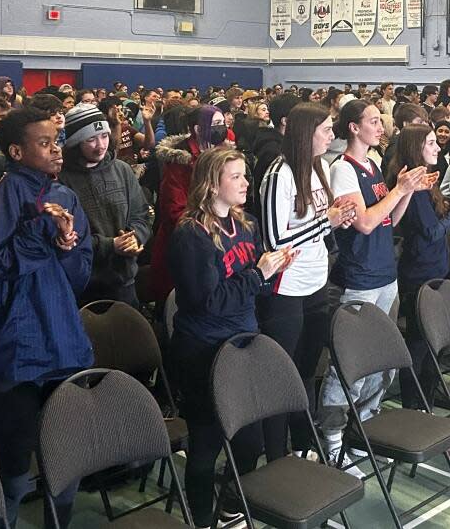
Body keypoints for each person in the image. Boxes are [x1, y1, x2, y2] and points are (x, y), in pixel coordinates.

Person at [0, 106, 92, 528]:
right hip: (17, 344)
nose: (56, 150)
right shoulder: (9, 195)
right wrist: (40, 232)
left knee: (65, 454)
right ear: (17, 152)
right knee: (14, 464)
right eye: (44, 143)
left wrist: (67, 246)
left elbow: (79, 274)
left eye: (56, 141)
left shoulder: (66, 196)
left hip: (62, 337)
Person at [167, 148, 295, 528]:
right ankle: (202, 520)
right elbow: (206, 302)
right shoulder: (191, 234)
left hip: (242, 344)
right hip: (204, 350)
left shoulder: (246, 225)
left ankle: (230, 507)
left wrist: (273, 271)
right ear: (212, 184)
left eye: (244, 175)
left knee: (249, 441)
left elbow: (248, 290)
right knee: (205, 445)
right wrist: (258, 273)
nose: (245, 183)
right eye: (236, 176)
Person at [317, 99, 431, 462]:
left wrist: (407, 190)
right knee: (349, 364)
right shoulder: (344, 170)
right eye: (372, 122)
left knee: (380, 359)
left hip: (385, 273)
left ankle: (364, 428)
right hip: (359, 277)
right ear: (353, 127)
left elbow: (388, 221)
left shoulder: (374, 163)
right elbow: (363, 222)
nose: (380, 128)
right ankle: (333, 439)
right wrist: (398, 190)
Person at [257, 103, 356, 459]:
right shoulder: (278, 175)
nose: (332, 136)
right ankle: (275, 452)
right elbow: (274, 240)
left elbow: (317, 224)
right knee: (281, 376)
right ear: (305, 134)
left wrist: (337, 220)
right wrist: (324, 221)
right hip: (285, 288)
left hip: (316, 281)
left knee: (306, 370)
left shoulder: (318, 169)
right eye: (326, 130)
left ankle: (302, 442)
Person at [389, 124, 450, 408]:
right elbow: (431, 231)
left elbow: (437, 220)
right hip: (419, 273)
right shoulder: (413, 187)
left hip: (433, 269)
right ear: (415, 147)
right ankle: (415, 405)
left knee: (433, 342)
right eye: (431, 143)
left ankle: (427, 400)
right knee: (420, 344)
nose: (438, 147)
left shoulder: (425, 181)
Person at [59, 103, 152, 306]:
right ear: (75, 143)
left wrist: (134, 237)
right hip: (83, 287)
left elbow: (141, 215)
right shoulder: (61, 180)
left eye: (104, 136)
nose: (100, 145)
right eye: (91, 139)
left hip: (124, 283)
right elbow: (64, 238)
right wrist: (109, 246)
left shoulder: (122, 170)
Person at [150, 105, 229, 305]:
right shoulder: (180, 161)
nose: (222, 128)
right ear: (198, 129)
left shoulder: (223, 154)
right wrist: (208, 228)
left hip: (218, 240)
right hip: (187, 243)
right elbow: (174, 212)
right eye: (216, 124)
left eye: (223, 123)